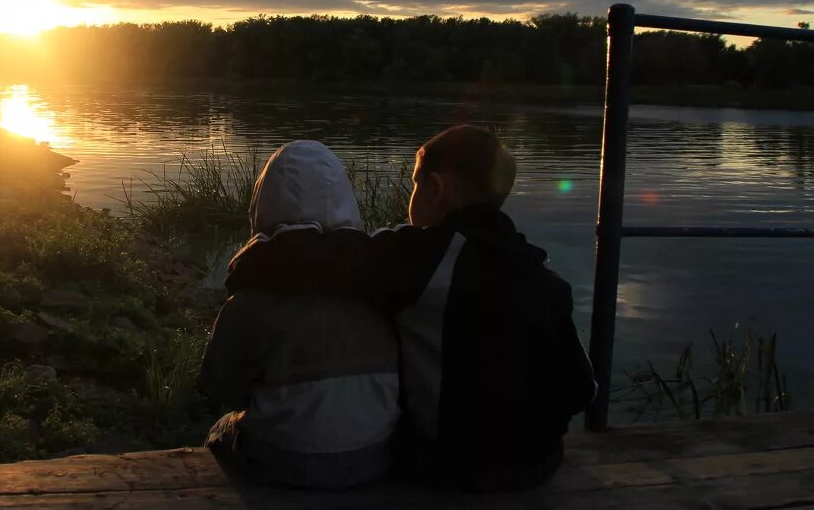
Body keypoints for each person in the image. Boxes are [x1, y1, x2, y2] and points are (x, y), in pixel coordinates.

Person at [375, 124, 596, 491]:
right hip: (539, 463)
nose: (411, 196)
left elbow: (330, 264)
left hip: (449, 467)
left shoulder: (418, 257)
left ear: (435, 188)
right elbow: (581, 391)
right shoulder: (542, 277)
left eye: (415, 184)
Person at [200, 140, 401, 489]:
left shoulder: (254, 291)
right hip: (378, 456)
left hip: (283, 461)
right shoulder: (384, 280)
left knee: (220, 427)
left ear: (264, 201)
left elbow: (221, 387)